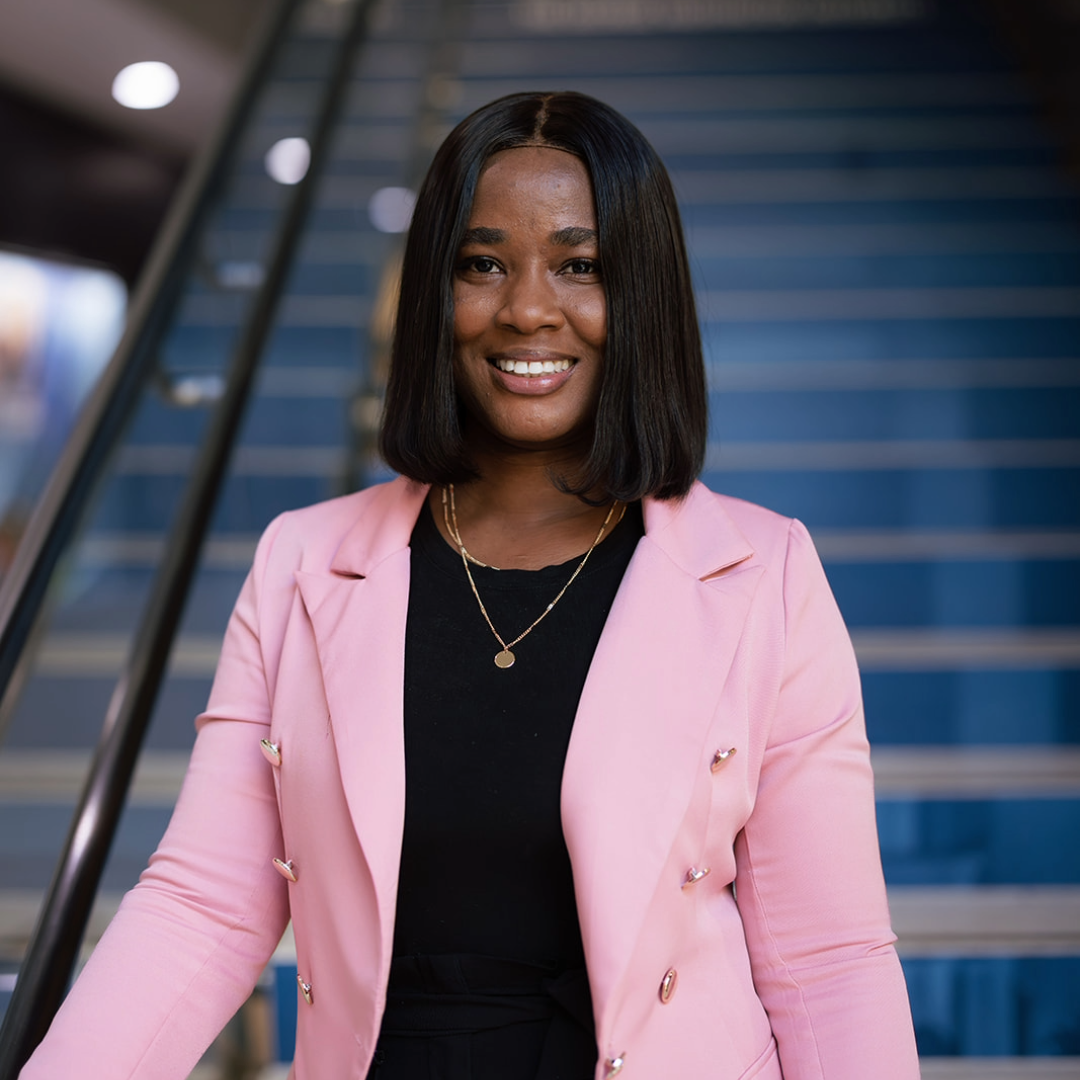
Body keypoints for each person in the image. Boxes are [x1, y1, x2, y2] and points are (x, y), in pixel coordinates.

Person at [21, 92, 920, 1080]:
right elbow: (205, 903)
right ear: (434, 291)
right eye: (482, 263)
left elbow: (827, 961)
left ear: (643, 294)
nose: (528, 307)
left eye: (581, 266)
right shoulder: (304, 562)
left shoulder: (764, 574)